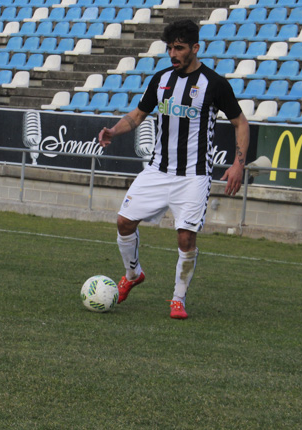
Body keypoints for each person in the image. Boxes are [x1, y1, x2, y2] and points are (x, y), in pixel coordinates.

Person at [97, 19, 249, 319]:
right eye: (170, 48)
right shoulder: (161, 79)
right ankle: (132, 274)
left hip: (193, 176)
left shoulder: (215, 84)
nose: (173, 54)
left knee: (185, 237)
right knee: (124, 222)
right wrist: (114, 131)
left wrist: (237, 164)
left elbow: (241, 123)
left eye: (179, 48)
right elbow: (138, 115)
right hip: (157, 170)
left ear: (195, 48)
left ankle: (178, 298)